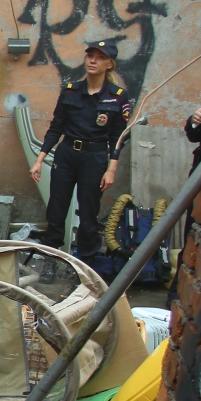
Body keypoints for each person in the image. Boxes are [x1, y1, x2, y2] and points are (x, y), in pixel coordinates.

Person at [29, 39, 132, 262]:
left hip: (93, 158)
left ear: (110, 64)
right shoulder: (70, 91)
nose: (93, 60)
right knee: (56, 211)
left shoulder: (117, 96)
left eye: (100, 57)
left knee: (88, 214)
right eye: (90, 55)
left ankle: (86, 265)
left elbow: (118, 137)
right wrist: (40, 159)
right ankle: (51, 259)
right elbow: (56, 127)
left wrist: (111, 169)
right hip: (66, 154)